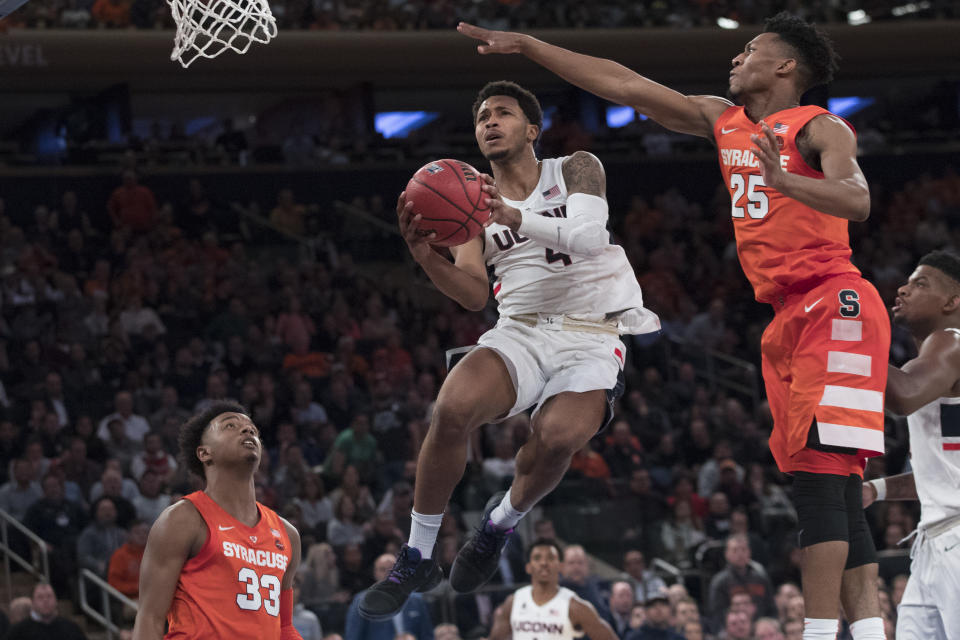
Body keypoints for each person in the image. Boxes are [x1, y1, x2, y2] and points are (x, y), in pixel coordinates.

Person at [457, 14, 889, 640]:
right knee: (833, 484)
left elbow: (859, 199)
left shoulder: (817, 126)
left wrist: (784, 179)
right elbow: (624, 85)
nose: (736, 58)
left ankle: (822, 632)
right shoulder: (726, 121)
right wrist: (528, 46)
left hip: (833, 299)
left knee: (822, 481)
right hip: (787, 316)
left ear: (785, 67)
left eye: (751, 49)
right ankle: (869, 631)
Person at [360, 79, 659, 620]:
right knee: (450, 408)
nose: (490, 122)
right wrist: (426, 258)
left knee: (558, 437)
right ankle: (417, 554)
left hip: (592, 333)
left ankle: (499, 523)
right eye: (481, 118)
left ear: (533, 129)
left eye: (502, 113)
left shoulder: (575, 168)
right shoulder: (469, 201)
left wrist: (513, 215)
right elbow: (474, 293)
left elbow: (591, 238)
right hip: (520, 328)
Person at [131, 402, 302, 640]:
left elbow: (284, 628)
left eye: (253, 429)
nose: (247, 431)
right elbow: (150, 618)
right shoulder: (183, 519)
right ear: (204, 453)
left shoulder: (287, 534)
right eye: (230, 425)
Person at [863, 250, 960, 639]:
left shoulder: (951, 344)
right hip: (934, 543)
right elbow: (943, 473)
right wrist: (877, 489)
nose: (903, 288)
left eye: (921, 284)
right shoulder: (941, 362)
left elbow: (903, 396)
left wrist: (847, 336)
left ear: (952, 302)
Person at [486, 538, 616, 640]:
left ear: (560, 566)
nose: (544, 563)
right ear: (528, 567)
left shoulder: (576, 606)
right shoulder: (513, 602)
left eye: (550, 558)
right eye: (537, 558)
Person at [345, 553, 434, 640]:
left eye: (392, 569)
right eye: (382, 569)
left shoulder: (416, 600)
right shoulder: (362, 600)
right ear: (375, 573)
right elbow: (353, 636)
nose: (388, 573)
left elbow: (427, 635)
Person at [6, 582, 86, 640]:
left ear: (56, 601)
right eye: (40, 597)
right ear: (33, 602)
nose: (45, 600)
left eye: (49, 596)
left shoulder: (71, 628)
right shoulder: (18, 631)